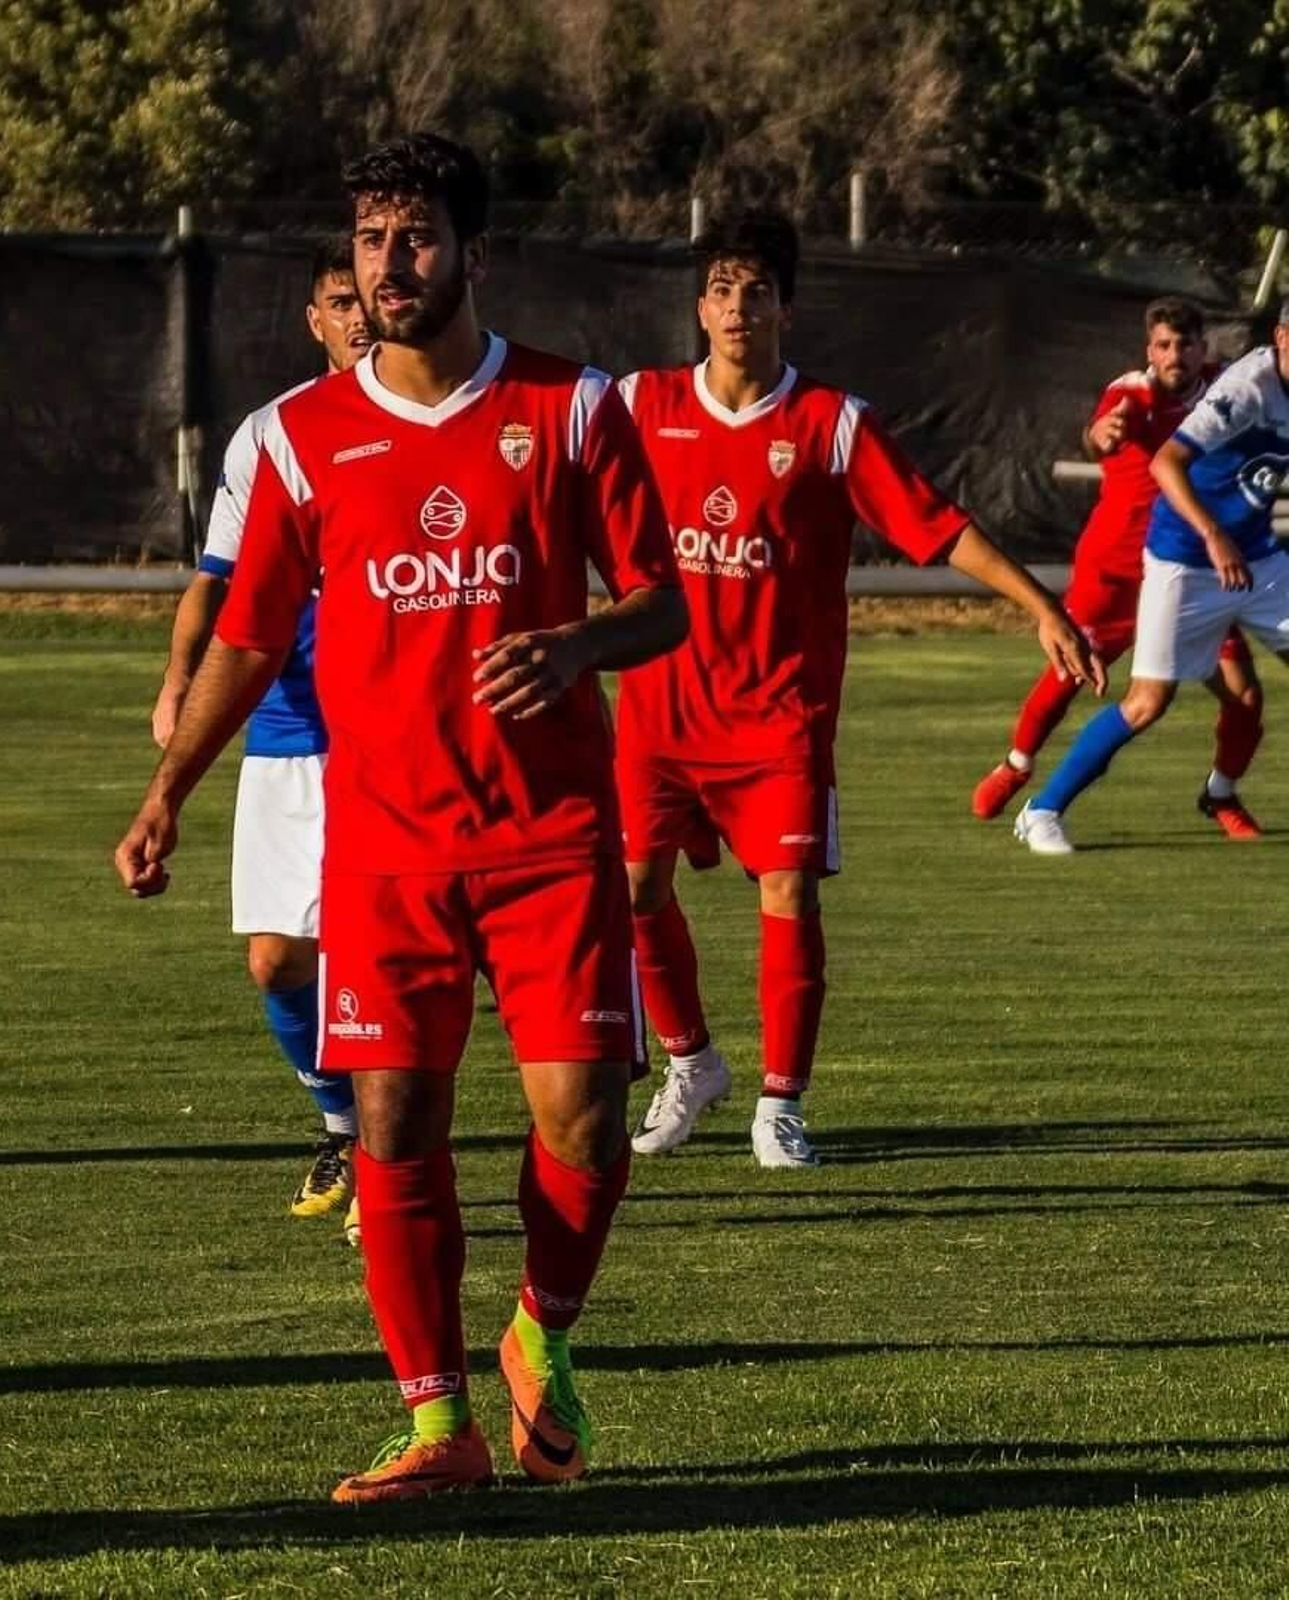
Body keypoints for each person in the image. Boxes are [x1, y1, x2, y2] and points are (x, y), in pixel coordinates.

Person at [114, 133, 687, 1503]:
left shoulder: (572, 409)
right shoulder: (304, 437)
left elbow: (663, 598)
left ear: (473, 254)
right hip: (384, 848)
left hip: (550, 836)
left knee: (589, 1121)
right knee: (390, 1128)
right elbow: (249, 638)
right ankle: (440, 1431)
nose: (390, 262)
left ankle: (538, 1335)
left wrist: (575, 647)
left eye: (417, 235)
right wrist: (165, 793)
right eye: (371, 238)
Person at [613, 209, 1103, 1166]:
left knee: (790, 895)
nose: (736, 307)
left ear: (786, 307)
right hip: (658, 715)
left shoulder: (831, 426)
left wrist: (1039, 607)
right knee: (632, 891)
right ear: (699, 306)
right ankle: (692, 1062)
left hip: (777, 721)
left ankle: (780, 1105)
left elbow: (941, 526)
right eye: (720, 288)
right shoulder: (639, 404)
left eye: (756, 290)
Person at [151, 241, 374, 1232]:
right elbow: (217, 581)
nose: (359, 315)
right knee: (279, 959)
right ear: (313, 318)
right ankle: (344, 1122)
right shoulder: (270, 435)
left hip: (390, 733)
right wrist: (178, 683)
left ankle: (397, 1154)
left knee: (390, 957)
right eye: (339, 300)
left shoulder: (426, 418)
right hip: (286, 728)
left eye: (365, 297)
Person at [972, 298, 1264, 834]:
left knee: (1245, 694)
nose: (1174, 356)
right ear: (1149, 350)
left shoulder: (1226, 391)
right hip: (1117, 573)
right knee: (1070, 674)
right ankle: (1017, 766)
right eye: (1163, 345)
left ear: (1205, 349)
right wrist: (1099, 435)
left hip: (1190, 573)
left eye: (1185, 345)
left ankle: (1220, 793)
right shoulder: (1133, 393)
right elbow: (1101, 430)